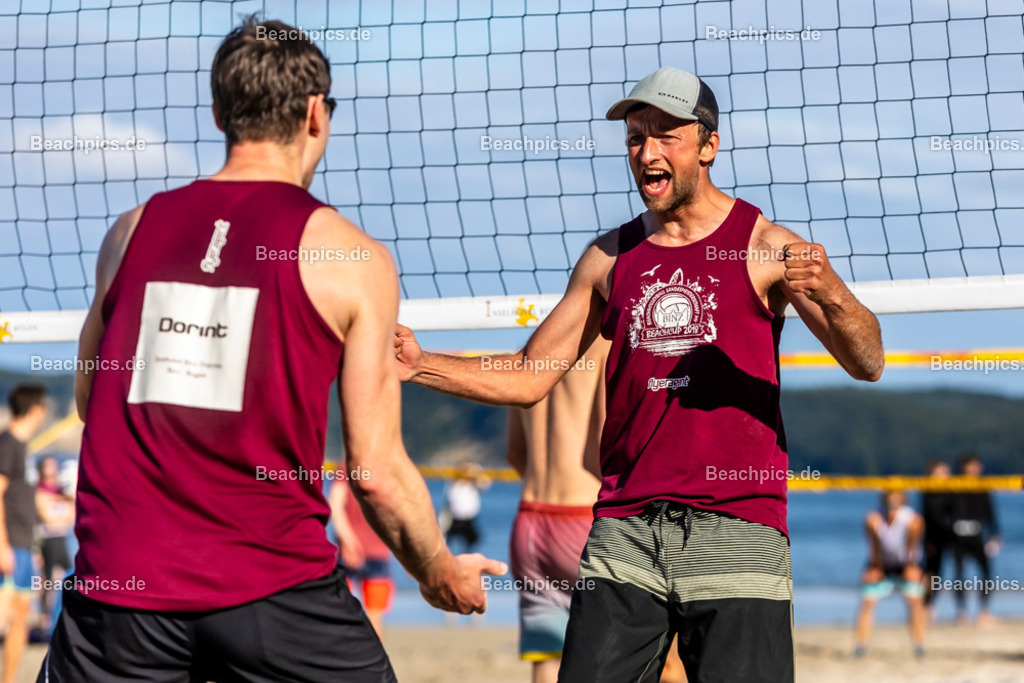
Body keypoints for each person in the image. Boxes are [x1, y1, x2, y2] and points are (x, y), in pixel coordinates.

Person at [39, 17, 504, 683]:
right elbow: (372, 469)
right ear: (317, 114)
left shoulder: (130, 232)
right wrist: (436, 568)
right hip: (268, 590)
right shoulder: (351, 256)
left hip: (119, 590)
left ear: (218, 111)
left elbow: (90, 398)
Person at [395, 66, 884, 682]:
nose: (646, 152)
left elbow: (868, 363)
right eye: (634, 137)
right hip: (625, 532)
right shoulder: (608, 256)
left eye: (665, 136)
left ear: (708, 145)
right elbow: (528, 376)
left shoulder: (764, 246)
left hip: (738, 526)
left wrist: (836, 294)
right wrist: (419, 365)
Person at [506, 337, 608, 682]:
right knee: (615, 650)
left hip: (530, 519)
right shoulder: (605, 342)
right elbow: (607, 443)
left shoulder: (531, 345)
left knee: (547, 655)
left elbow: (515, 454)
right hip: (582, 516)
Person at [0, 384, 48, 683]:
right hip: (9, 544)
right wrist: (2, 544)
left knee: (20, 618)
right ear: (36, 409)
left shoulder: (22, 446)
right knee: (7, 615)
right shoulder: (8, 444)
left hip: (23, 543)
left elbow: (24, 497)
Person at [853, 490, 927, 659]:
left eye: (895, 505)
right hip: (882, 562)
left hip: (906, 562)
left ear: (903, 504)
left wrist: (911, 567)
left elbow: (912, 548)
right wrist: (875, 567)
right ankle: (861, 645)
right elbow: (875, 548)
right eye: (888, 504)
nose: (891, 509)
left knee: (914, 599)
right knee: (868, 599)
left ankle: (919, 645)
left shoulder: (913, 520)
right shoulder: (873, 519)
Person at [329, 474, 394, 638]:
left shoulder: (348, 466)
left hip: (352, 550)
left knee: (342, 611)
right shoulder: (387, 466)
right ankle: (373, 660)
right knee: (375, 614)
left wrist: (348, 539)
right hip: (376, 549)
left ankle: (347, 657)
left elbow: (335, 504)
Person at [950, 452, 1001, 626]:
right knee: (959, 575)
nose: (973, 469)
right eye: (970, 466)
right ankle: (961, 612)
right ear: (963, 467)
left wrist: (995, 535)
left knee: (986, 573)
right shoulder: (955, 486)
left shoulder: (983, 486)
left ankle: (984, 611)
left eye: (976, 466)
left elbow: (990, 513)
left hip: (978, 535)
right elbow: (947, 511)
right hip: (958, 535)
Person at [35, 455, 75, 631]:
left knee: (63, 579)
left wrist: (58, 507)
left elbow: (71, 516)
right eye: (46, 466)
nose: (50, 471)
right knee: (47, 580)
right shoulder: (39, 491)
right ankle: (45, 619)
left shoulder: (61, 492)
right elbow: (49, 519)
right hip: (47, 541)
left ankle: (56, 618)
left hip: (63, 539)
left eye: (53, 466)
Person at [920, 459, 953, 615]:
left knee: (938, 572)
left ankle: (929, 605)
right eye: (942, 472)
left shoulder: (950, 489)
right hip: (932, 538)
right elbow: (931, 517)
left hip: (947, 536)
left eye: (946, 472)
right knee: (931, 572)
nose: (946, 475)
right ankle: (925, 604)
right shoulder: (929, 490)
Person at [443, 463, 490, 552]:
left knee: (474, 539)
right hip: (455, 519)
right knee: (447, 541)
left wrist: (475, 474)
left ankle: (466, 554)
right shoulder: (453, 485)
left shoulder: (473, 484)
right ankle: (449, 557)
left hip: (469, 519)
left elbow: (486, 483)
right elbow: (449, 501)